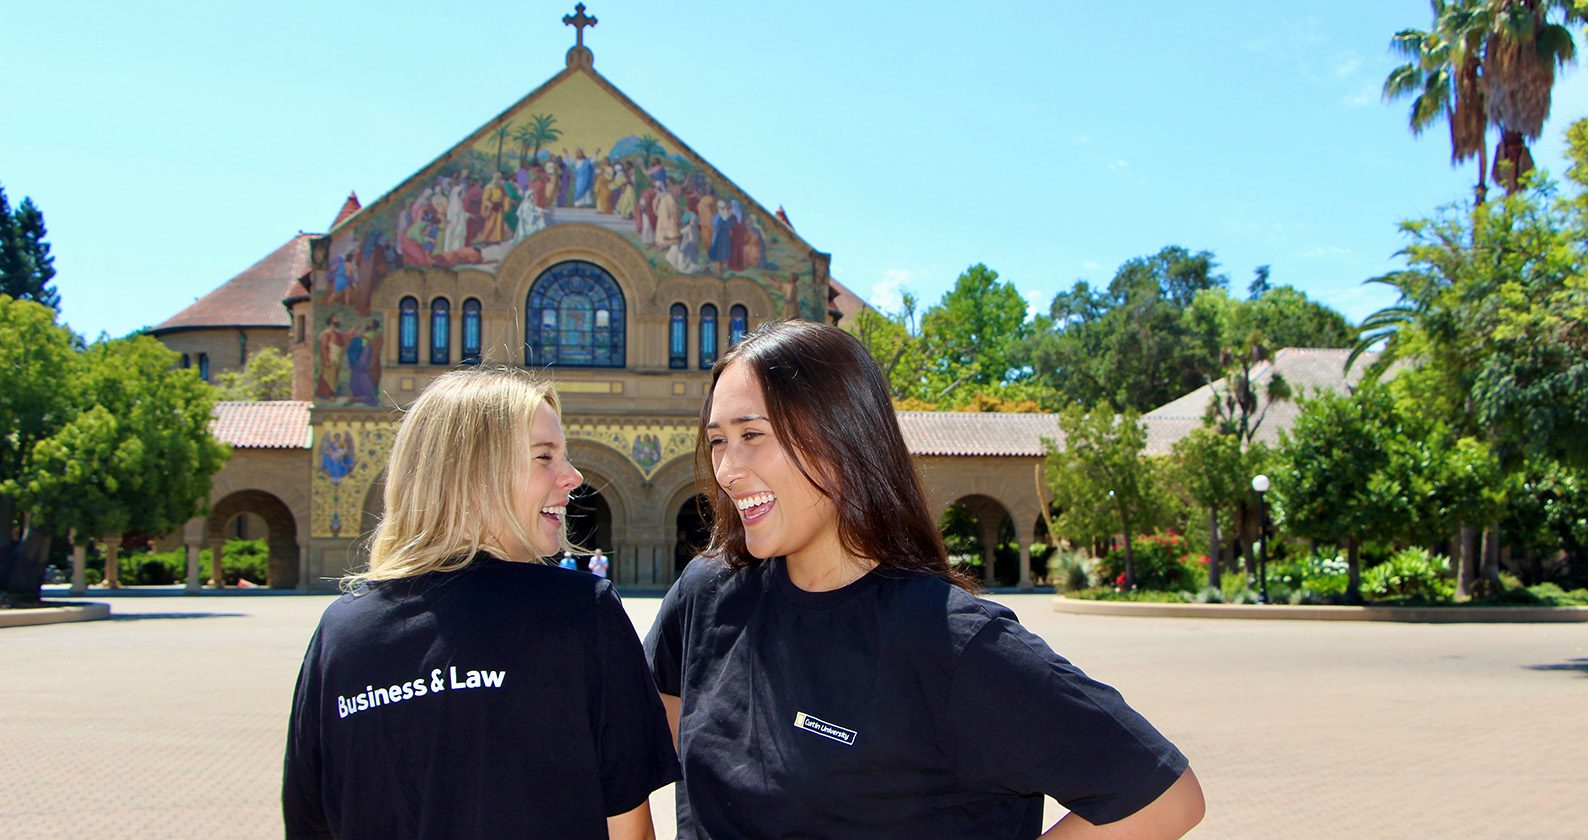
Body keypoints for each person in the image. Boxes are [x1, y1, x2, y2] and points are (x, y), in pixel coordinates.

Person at [645, 321, 1204, 839]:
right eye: (718, 440)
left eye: (753, 435)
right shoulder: (707, 594)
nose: (727, 469)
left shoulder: (948, 641)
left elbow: (1162, 797)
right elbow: (636, 748)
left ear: (840, 439)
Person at [283, 367, 680, 840]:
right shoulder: (580, 613)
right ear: (475, 472)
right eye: (544, 457)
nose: (572, 477)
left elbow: (310, 820)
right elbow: (627, 829)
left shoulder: (340, 632)